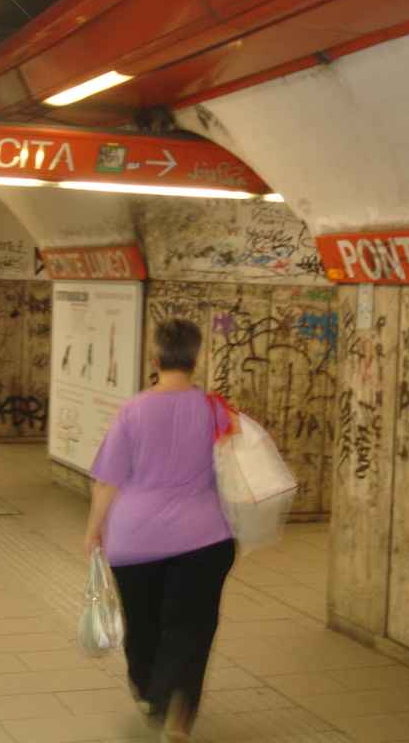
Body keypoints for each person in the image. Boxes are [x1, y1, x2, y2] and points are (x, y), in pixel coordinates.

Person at [84, 318, 235, 742]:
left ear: (155, 359)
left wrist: (94, 530)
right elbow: (233, 469)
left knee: (144, 621)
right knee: (192, 626)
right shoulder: (215, 409)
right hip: (204, 539)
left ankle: (150, 692)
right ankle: (180, 708)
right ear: (195, 358)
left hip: (136, 541)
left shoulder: (133, 410)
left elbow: (108, 479)